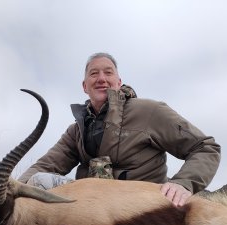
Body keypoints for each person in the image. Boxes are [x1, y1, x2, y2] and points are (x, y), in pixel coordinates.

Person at [19, 52, 221, 208]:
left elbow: (205, 148)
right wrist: (7, 190)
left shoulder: (149, 112)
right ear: (84, 86)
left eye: (108, 72)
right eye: (94, 73)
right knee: (37, 181)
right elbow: (45, 166)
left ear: (118, 82)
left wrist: (184, 183)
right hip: (93, 209)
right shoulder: (77, 131)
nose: (101, 78)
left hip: (140, 207)